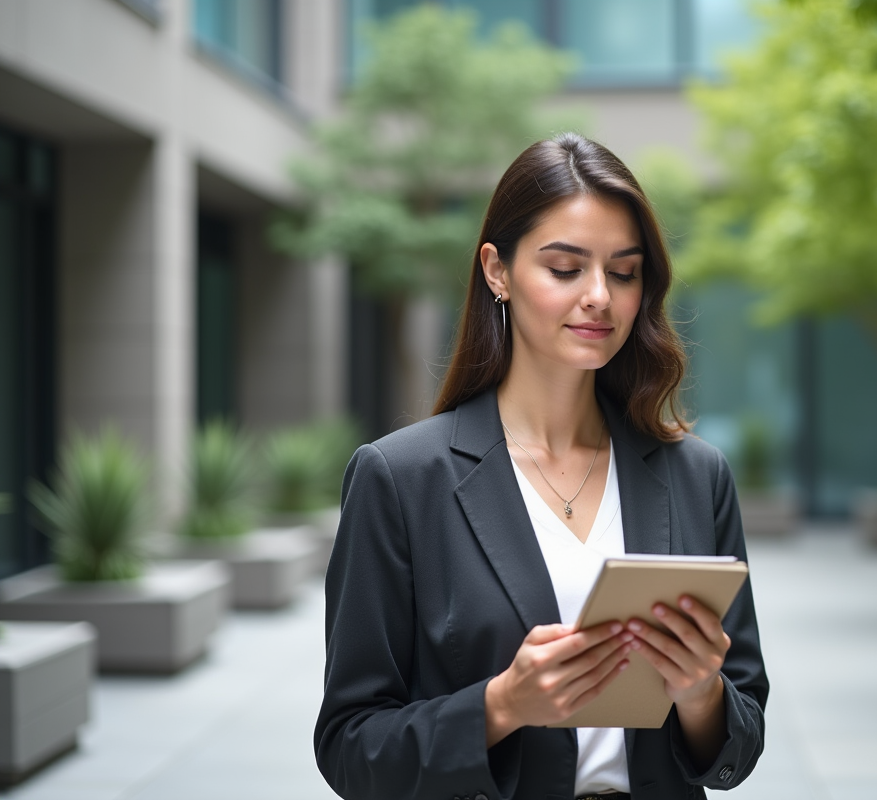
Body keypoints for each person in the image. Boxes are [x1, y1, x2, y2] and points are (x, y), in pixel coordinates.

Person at [315, 133, 768, 800]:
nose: (600, 298)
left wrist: (702, 695)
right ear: (497, 270)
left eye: (623, 272)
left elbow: (744, 727)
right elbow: (350, 749)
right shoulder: (401, 479)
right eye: (564, 269)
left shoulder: (696, 475)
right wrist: (500, 705)